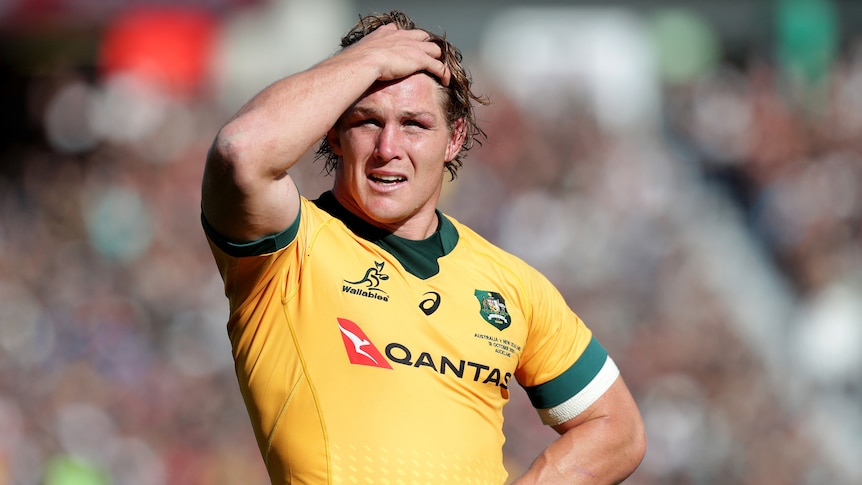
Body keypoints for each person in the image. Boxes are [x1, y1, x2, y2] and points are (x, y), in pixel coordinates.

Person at [201, 10, 646, 484]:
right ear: (332, 131)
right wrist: (367, 61)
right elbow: (240, 150)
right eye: (368, 121)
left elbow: (617, 429)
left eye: (414, 124)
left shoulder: (513, 286)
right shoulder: (287, 251)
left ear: (454, 139)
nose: (388, 146)